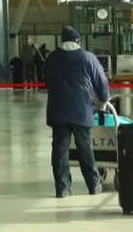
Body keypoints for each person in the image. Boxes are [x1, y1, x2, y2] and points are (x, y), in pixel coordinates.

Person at [43, 26, 110, 199]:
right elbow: (101, 82)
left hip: (58, 111)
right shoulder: (88, 57)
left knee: (60, 149)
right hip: (81, 110)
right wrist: (104, 97)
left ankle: (62, 188)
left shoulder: (52, 58)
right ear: (78, 41)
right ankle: (94, 185)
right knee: (84, 147)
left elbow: (47, 81)